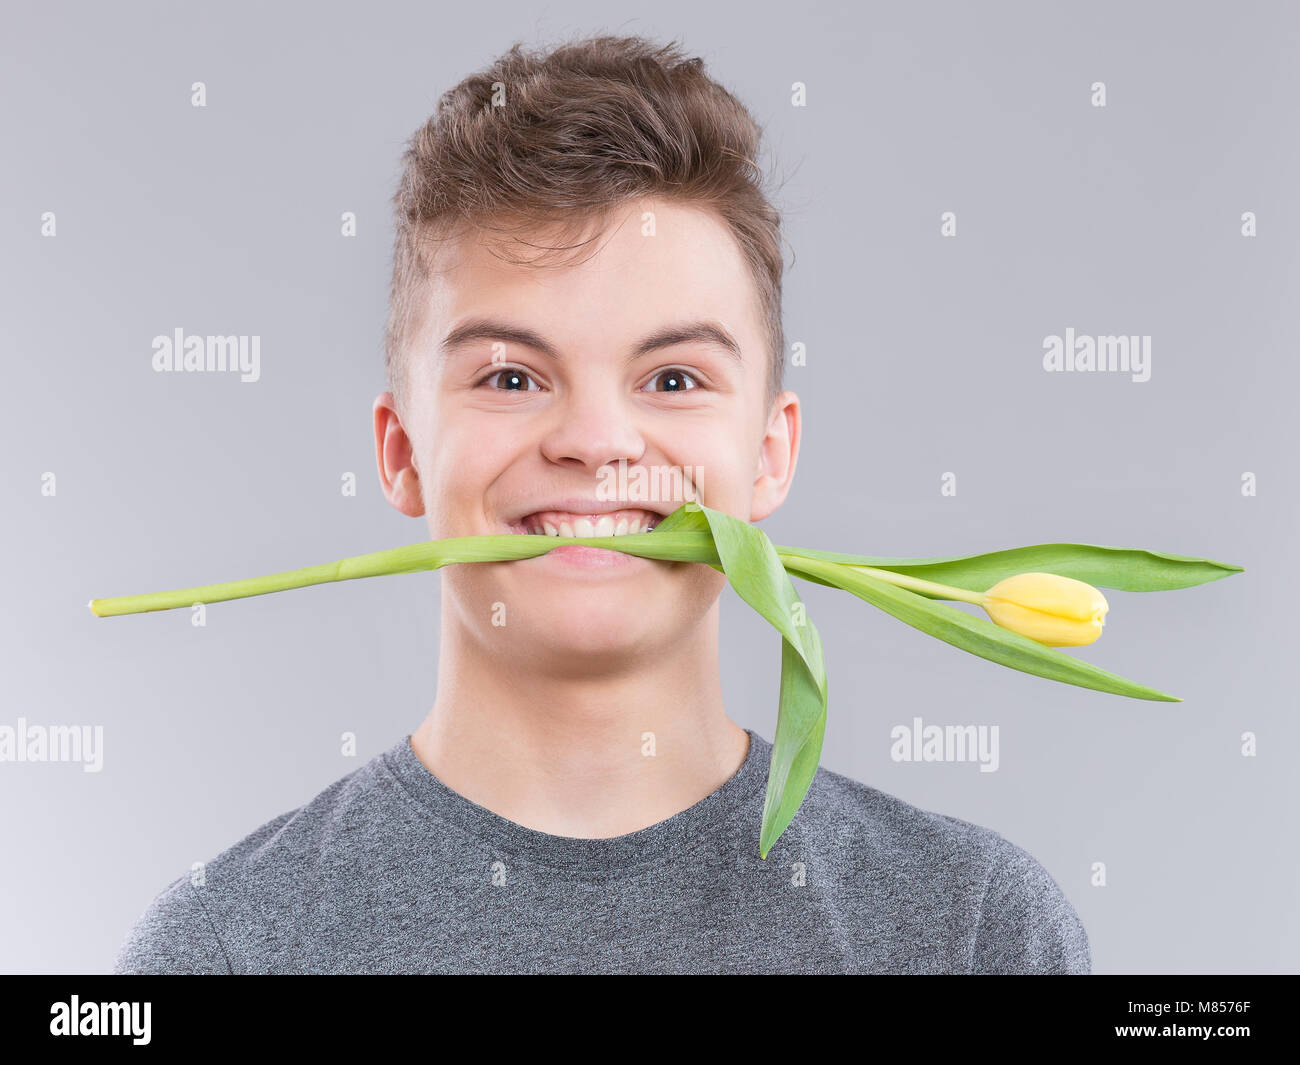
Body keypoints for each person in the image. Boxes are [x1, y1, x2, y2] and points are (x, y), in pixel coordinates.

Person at [114, 32, 1090, 974]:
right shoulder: (225, 950)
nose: (594, 441)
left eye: (671, 380)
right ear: (402, 450)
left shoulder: (972, 933)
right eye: (509, 378)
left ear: (768, 453)